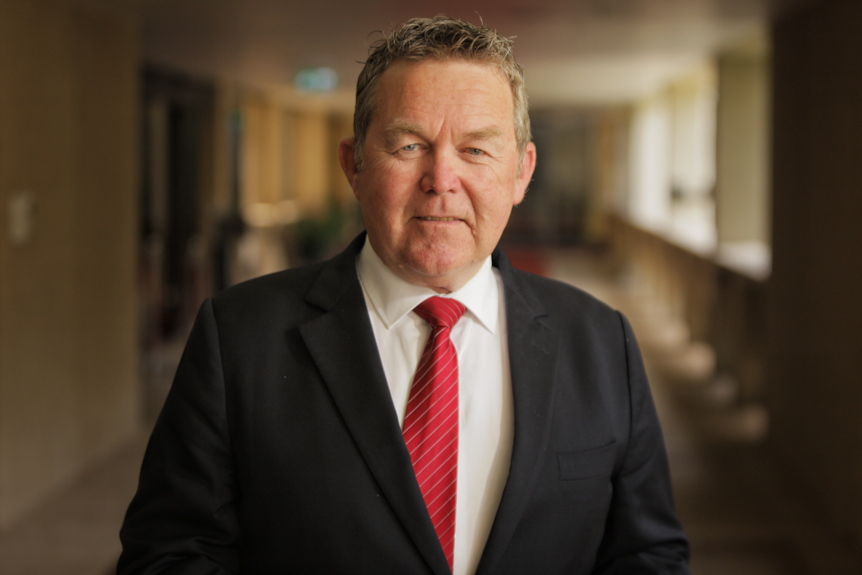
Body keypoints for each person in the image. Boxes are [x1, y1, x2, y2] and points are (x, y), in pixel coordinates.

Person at [118, 15, 690, 575]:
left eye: (476, 150)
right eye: (410, 145)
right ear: (354, 165)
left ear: (521, 172)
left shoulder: (602, 341)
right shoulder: (238, 337)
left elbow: (648, 554)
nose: (441, 179)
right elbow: (169, 552)